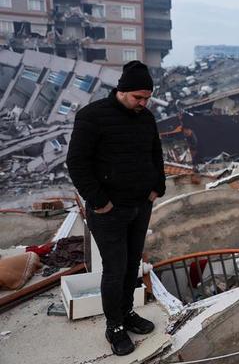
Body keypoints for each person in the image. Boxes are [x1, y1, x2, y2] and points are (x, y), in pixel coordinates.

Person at [67, 61, 166, 356]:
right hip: (108, 211)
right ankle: (115, 327)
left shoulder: (146, 118)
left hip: (140, 205)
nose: (143, 103)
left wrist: (156, 188)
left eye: (147, 97)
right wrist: (99, 201)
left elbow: (155, 153)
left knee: (132, 266)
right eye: (138, 97)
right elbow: (77, 163)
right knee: (114, 269)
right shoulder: (92, 117)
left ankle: (127, 313)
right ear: (122, 91)